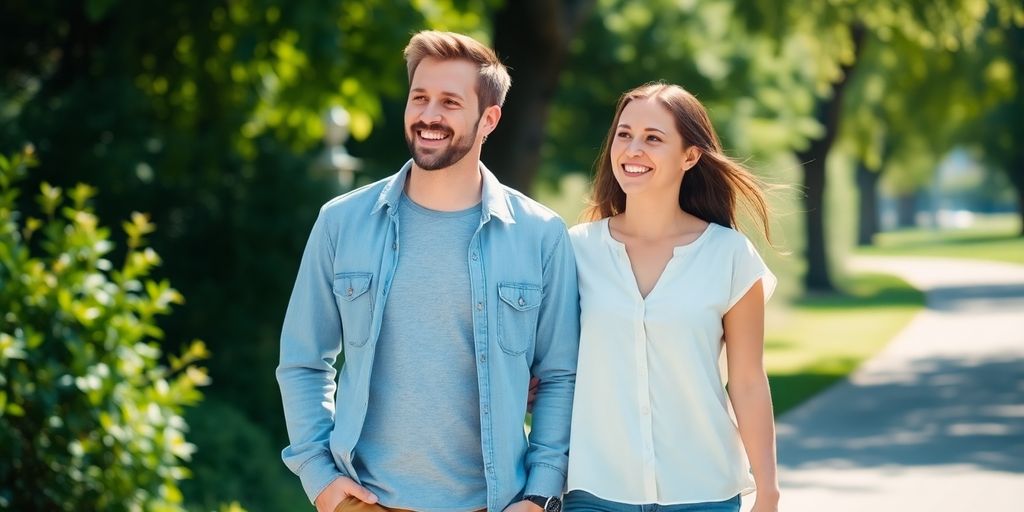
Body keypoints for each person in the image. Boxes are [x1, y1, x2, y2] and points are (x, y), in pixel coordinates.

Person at [277, 31, 580, 512]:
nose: (429, 115)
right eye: (419, 97)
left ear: (489, 119)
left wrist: (540, 495)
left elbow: (560, 376)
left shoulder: (540, 235)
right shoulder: (342, 222)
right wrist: (319, 476)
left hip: (493, 504)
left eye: (450, 102)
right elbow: (303, 359)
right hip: (363, 500)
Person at [564, 83, 780, 512]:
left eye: (653, 138)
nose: (633, 149)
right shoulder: (574, 250)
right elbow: (551, 367)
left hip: (703, 492)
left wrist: (768, 493)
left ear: (690, 156)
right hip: (594, 491)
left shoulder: (730, 255)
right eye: (624, 135)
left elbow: (748, 381)